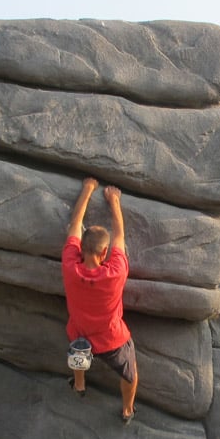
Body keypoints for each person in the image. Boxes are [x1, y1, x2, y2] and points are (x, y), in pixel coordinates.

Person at [61, 177, 138, 424]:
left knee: (78, 351)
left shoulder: (69, 266)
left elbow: (75, 224)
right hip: (112, 339)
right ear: (104, 253)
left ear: (81, 248)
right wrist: (114, 200)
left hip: (80, 333)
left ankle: (80, 385)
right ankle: (127, 410)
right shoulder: (115, 272)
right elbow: (119, 235)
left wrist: (87, 188)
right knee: (130, 375)